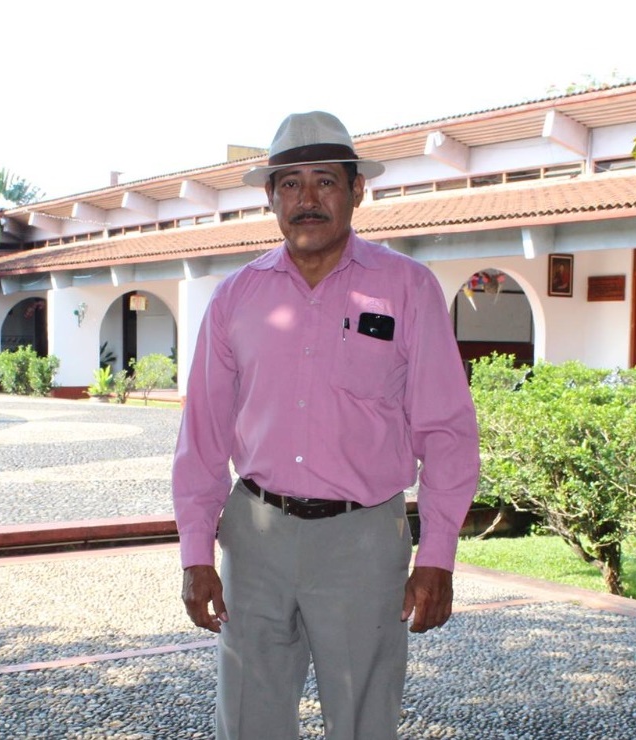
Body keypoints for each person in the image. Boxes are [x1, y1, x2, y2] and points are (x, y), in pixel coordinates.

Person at [172, 110, 480, 740]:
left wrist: (439, 555)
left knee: (364, 722)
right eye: (290, 184)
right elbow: (202, 438)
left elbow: (446, 430)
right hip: (255, 540)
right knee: (250, 722)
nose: (306, 200)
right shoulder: (234, 299)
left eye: (325, 183)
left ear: (356, 191)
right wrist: (196, 553)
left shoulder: (407, 290)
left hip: (363, 542)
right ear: (270, 197)